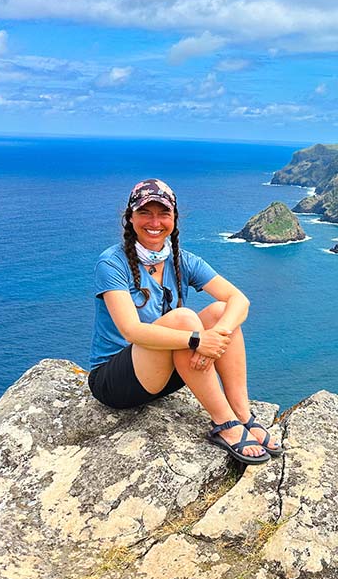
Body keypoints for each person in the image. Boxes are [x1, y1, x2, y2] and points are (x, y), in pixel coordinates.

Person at [88, 179, 281, 465]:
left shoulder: (183, 260)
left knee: (219, 312)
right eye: (145, 213)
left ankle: (242, 413)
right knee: (184, 319)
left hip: (163, 372)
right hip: (116, 381)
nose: (155, 222)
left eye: (163, 213)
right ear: (130, 218)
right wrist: (197, 340)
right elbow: (132, 331)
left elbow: (239, 300)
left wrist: (217, 336)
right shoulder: (112, 263)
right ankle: (224, 424)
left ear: (174, 219)